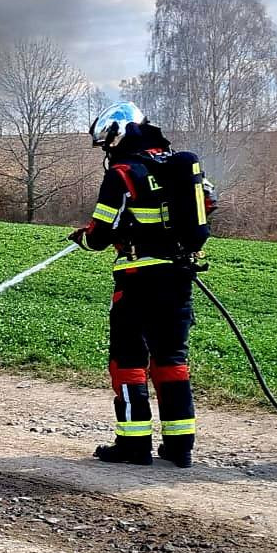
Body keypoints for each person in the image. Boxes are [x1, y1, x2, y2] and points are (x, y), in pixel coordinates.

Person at [70, 102, 212, 468]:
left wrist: (82, 238)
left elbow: (99, 234)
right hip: (178, 278)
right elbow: (206, 205)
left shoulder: (123, 173)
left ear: (118, 135)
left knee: (128, 360)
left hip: (137, 281)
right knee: (171, 360)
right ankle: (180, 447)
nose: (106, 151)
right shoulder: (177, 166)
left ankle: (133, 445)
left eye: (107, 143)